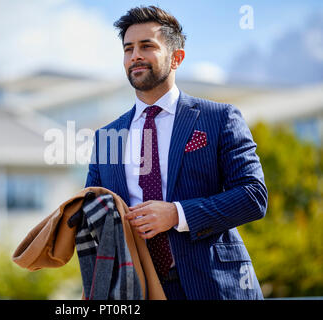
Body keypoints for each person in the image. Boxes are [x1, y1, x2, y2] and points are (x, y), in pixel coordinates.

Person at [84, 5, 268, 300]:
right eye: (128, 49)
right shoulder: (107, 136)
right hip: (136, 290)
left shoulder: (219, 118)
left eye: (147, 46)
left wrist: (177, 214)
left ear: (177, 58)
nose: (135, 56)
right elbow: (93, 213)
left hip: (214, 286)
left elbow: (253, 196)